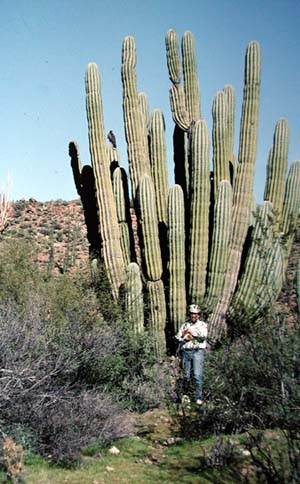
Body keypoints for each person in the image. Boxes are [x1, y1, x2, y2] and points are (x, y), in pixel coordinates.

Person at [176, 304, 208, 405]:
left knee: (197, 375)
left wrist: (191, 333)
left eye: (195, 314)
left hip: (198, 351)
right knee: (186, 375)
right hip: (186, 351)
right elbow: (178, 337)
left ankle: (198, 397)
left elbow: (203, 336)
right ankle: (186, 398)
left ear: (199, 315)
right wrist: (183, 338)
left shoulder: (203, 325)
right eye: (192, 314)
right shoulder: (185, 325)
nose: (193, 316)